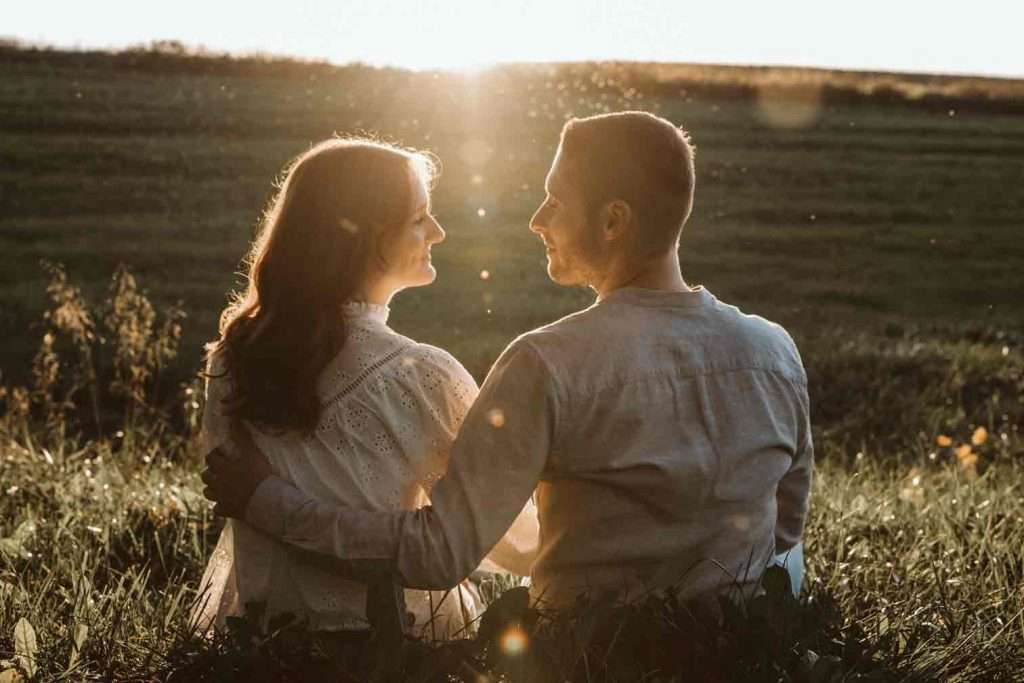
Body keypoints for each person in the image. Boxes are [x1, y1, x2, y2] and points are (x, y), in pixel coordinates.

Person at [203, 111, 812, 616]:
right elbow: (786, 534)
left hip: (583, 661)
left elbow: (443, 552)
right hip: (737, 653)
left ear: (612, 221)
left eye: (553, 200)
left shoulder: (544, 363)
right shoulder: (776, 352)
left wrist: (267, 501)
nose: (535, 220)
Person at [192, 137, 538, 640]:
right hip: (396, 647)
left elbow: (245, 501)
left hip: (258, 641)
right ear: (362, 239)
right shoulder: (419, 374)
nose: (438, 232)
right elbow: (515, 543)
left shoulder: (233, 358)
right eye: (420, 218)